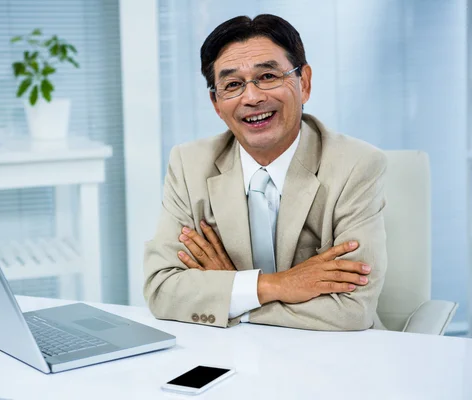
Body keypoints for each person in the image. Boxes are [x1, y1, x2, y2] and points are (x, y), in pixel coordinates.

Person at [143, 14, 387, 330]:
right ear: (216, 104)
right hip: (229, 355)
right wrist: (276, 285)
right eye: (232, 85)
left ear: (305, 83)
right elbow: (162, 291)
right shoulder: (188, 165)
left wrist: (227, 294)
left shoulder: (357, 165)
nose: (253, 97)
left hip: (333, 355)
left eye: (269, 76)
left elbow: (351, 310)